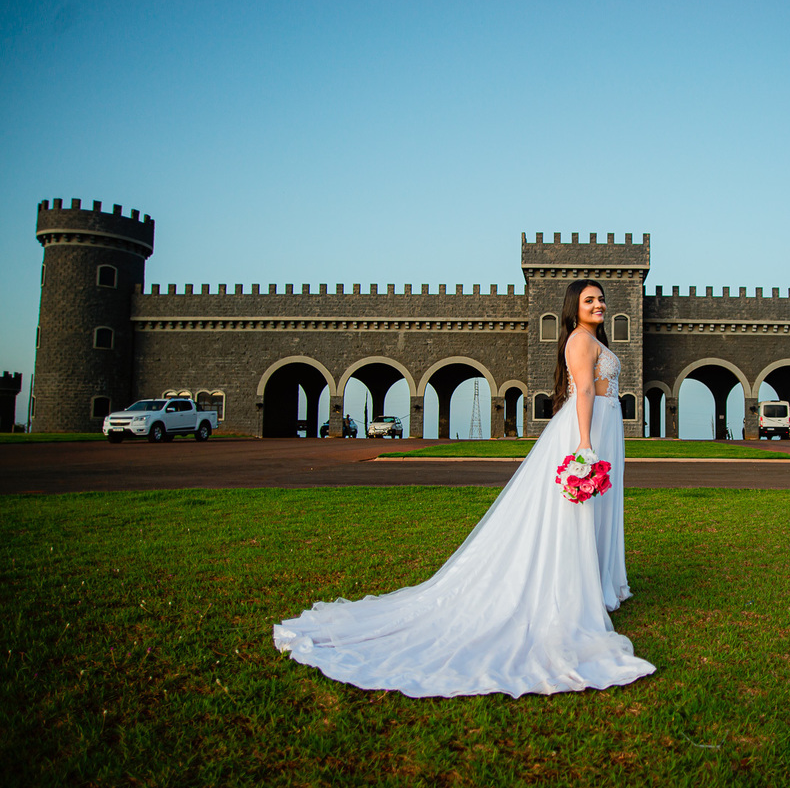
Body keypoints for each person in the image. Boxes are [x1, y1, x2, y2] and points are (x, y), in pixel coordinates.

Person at [273, 279, 656, 697]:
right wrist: (584, 443)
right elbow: (582, 391)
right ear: (574, 307)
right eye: (589, 300)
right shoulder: (581, 340)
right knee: (577, 510)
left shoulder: (593, 340)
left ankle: (597, 583)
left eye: (601, 299)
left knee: (596, 506)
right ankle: (577, 587)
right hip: (590, 426)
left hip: (604, 422)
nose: (599, 305)